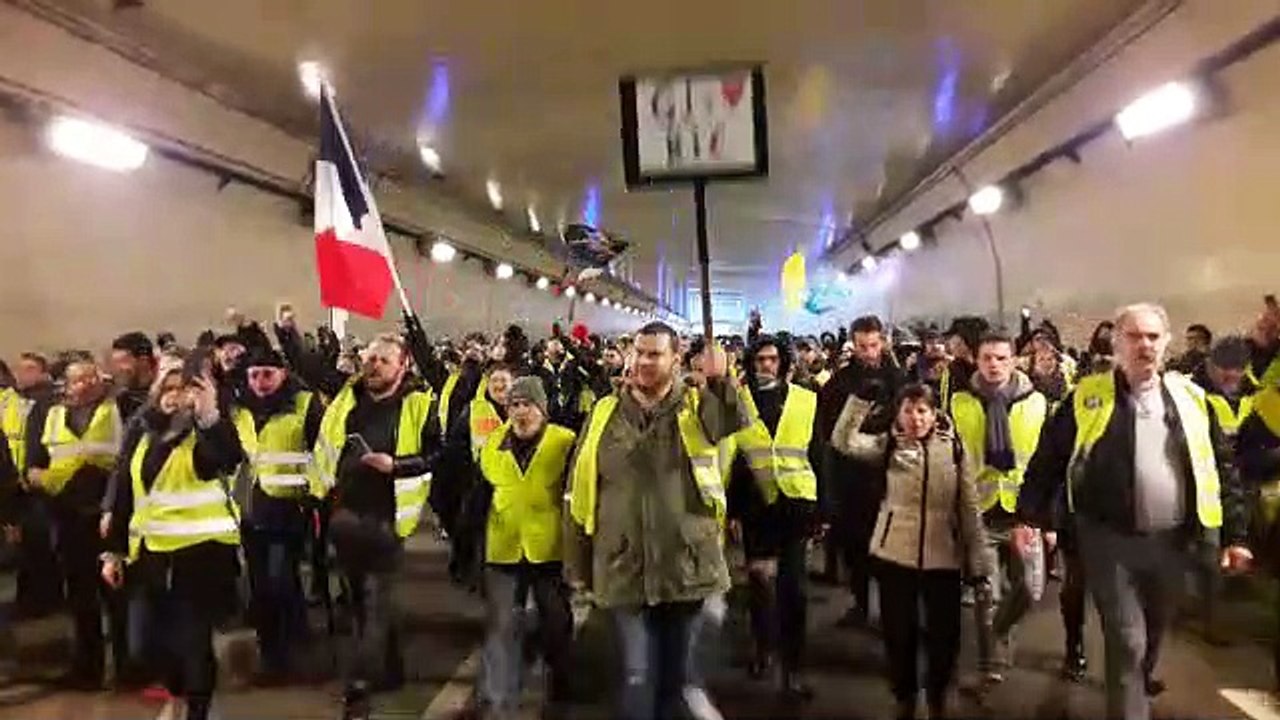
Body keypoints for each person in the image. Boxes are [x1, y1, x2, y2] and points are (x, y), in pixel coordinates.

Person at [1016, 303, 1252, 720]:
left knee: (1154, 634)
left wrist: (1234, 535)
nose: (1144, 345)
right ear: (1117, 343)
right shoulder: (1088, 397)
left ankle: (1136, 686)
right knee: (1127, 640)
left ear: (1166, 343)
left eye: (1153, 337)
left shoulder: (1192, 399)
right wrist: (1029, 517)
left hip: (1171, 541)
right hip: (1108, 540)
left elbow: (1220, 466)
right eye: (1134, 336)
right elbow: (1049, 458)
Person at [568, 322, 744, 720]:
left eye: (655, 354)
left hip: (685, 567)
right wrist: (577, 563)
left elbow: (731, 419)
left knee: (675, 680)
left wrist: (722, 379)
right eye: (640, 352)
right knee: (636, 675)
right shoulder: (604, 412)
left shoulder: (697, 408)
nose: (644, 361)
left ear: (676, 359)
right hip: (623, 566)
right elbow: (579, 487)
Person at [831, 382, 988, 720]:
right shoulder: (888, 444)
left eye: (922, 411)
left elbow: (969, 506)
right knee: (898, 635)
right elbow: (843, 441)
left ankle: (937, 695)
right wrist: (859, 401)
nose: (915, 419)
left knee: (944, 637)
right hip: (895, 554)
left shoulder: (954, 448)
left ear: (934, 414)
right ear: (898, 413)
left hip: (943, 556)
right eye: (908, 410)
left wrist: (978, 561)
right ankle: (904, 696)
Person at [102, 359, 246, 720]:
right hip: (150, 554)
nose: (173, 395)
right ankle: (178, 692)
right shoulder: (144, 429)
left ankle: (194, 709)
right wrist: (113, 551)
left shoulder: (207, 431)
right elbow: (125, 487)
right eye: (167, 387)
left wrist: (210, 412)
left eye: (183, 388)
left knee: (193, 642)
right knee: (144, 644)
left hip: (201, 555)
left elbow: (225, 458)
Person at [311, 334, 439, 720]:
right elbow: (308, 370)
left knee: (375, 603)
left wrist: (396, 465)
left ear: (403, 365)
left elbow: (438, 454)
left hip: (387, 519)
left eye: (383, 360)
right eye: (370, 359)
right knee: (360, 606)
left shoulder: (418, 403)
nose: (374, 366)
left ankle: (359, 687)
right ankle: (392, 669)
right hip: (345, 517)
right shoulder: (347, 399)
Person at [949, 332, 1048, 689]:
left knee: (1031, 589)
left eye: (1002, 358)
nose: (994, 365)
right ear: (976, 360)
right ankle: (990, 659)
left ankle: (1000, 631)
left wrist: (1048, 518)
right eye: (987, 358)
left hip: (1025, 512)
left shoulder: (1037, 403)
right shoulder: (959, 402)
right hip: (981, 510)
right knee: (986, 593)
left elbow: (1048, 462)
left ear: (1014, 361)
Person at [725, 335, 822, 701]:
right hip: (755, 507)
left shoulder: (806, 400)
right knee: (760, 585)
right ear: (751, 363)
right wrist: (732, 510)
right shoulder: (740, 402)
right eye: (760, 360)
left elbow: (818, 452)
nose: (767, 365)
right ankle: (763, 647)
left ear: (783, 363)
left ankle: (793, 669)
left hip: (796, 505)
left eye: (772, 359)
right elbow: (732, 459)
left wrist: (823, 509)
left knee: (794, 591)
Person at [26, 355, 130, 689]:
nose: (85, 384)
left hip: (108, 514)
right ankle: (88, 668)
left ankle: (129, 667)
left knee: (117, 596)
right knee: (80, 596)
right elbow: (34, 465)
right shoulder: (47, 414)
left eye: (90, 377)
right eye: (77, 380)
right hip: (67, 515)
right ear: (66, 385)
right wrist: (46, 479)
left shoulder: (120, 409)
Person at [475, 376, 576, 720]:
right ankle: (494, 699)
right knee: (501, 623)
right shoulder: (492, 444)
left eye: (528, 405)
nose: (521, 412)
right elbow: (480, 495)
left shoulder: (564, 442)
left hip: (549, 548)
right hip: (503, 546)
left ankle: (560, 680)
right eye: (514, 405)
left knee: (555, 620)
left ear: (542, 409)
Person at [238, 348, 325, 682]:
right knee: (261, 585)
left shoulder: (304, 404)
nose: (260, 382)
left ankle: (284, 657)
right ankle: (273, 648)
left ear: (283, 374)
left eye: (267, 374)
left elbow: (323, 452)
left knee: (280, 580)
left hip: (291, 508)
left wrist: (316, 497)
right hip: (251, 509)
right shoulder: (239, 409)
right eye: (254, 375)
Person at [817, 315, 902, 629]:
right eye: (863, 346)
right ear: (853, 344)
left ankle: (892, 610)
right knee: (856, 548)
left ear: (883, 342)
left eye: (874, 345)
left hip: (890, 477)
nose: (869, 352)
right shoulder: (839, 383)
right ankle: (861, 603)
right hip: (851, 479)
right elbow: (829, 432)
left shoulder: (898, 379)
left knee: (891, 551)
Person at [109, 332, 159, 421]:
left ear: (143, 361)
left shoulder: (164, 393)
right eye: (115, 363)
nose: (117, 369)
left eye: (122, 362)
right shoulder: (122, 400)